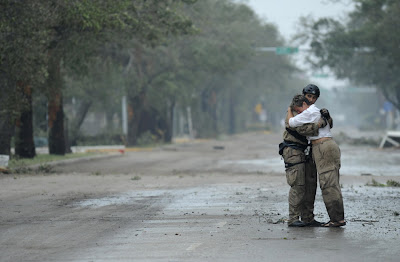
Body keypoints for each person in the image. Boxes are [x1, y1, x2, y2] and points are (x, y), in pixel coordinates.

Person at [287, 94, 345, 227]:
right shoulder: (317, 112)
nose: (298, 113)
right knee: (329, 183)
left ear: (303, 105)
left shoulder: (310, 111)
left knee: (329, 184)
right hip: (322, 147)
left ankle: (337, 220)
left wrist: (289, 110)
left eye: (298, 110)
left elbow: (291, 123)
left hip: (323, 147)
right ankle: (336, 218)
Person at [280, 84, 332, 227]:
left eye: (314, 97)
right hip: (293, 150)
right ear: (303, 96)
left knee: (310, 185)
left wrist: (326, 117)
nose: (311, 100)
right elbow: (297, 127)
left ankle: (308, 218)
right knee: (298, 184)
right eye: (308, 96)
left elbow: (328, 124)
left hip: (307, 151)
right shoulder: (294, 108)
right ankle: (293, 218)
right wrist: (318, 125)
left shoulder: (312, 111)